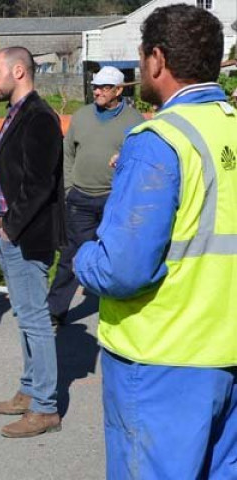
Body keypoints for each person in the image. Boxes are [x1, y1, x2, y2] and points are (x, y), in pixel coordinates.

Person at [75, 6, 237, 477]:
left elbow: (121, 268)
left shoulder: (158, 140)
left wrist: (83, 255)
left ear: (157, 60)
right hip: (225, 350)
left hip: (163, 356)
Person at [0, 47, 65, 437]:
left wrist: (11, 227)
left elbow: (39, 184)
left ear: (19, 71)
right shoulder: (16, 114)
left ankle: (46, 407)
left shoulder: (39, 117)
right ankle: (30, 389)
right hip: (9, 231)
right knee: (26, 317)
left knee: (36, 320)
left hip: (26, 235)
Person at [45, 66, 144, 329]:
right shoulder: (81, 116)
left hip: (115, 201)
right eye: (95, 87)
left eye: (104, 87)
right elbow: (67, 154)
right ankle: (55, 311)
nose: (97, 91)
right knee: (70, 257)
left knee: (118, 257)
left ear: (119, 90)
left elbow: (139, 162)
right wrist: (68, 190)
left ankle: (122, 315)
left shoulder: (135, 122)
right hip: (80, 199)